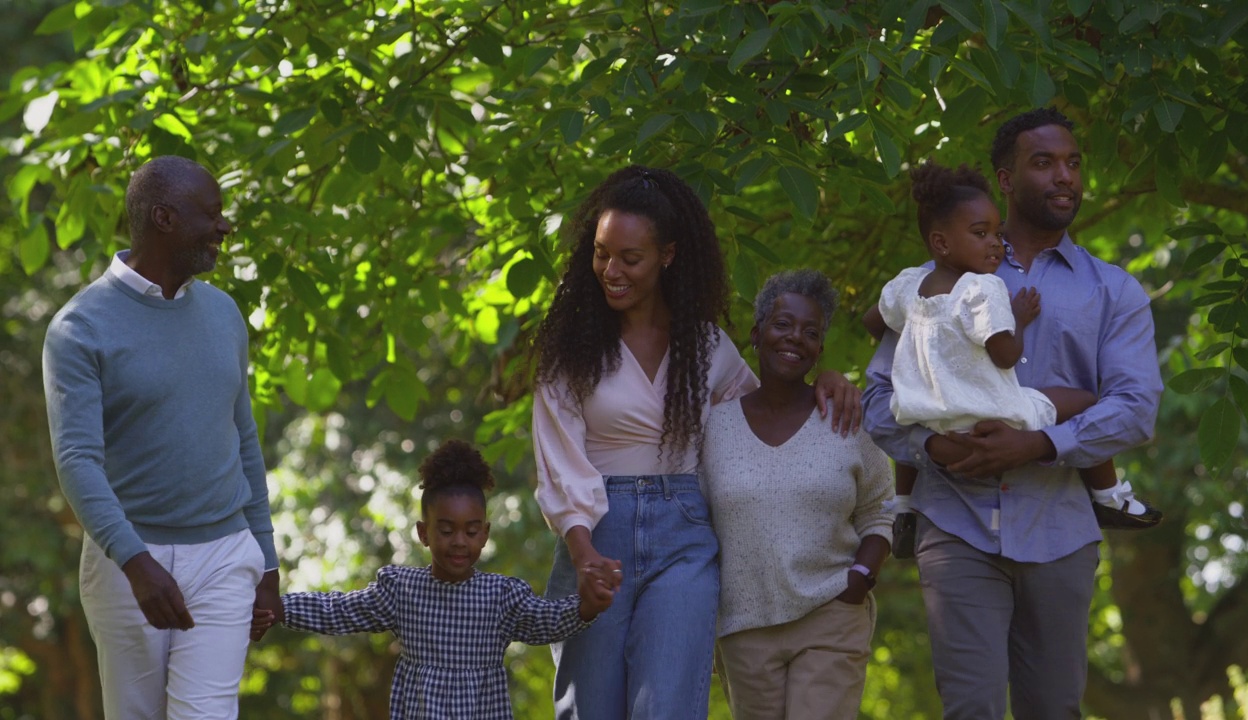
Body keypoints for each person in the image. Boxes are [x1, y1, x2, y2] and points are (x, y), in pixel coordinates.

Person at [863, 108, 1165, 719]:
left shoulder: (1113, 292)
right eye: (1044, 162)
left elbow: (1134, 408)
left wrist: (1038, 445)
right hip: (956, 522)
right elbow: (878, 399)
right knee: (970, 707)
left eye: (1074, 164)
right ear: (1004, 178)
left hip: (1061, 532)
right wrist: (937, 450)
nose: (1065, 177)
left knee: (1054, 710)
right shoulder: (936, 285)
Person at [532, 165, 860, 719]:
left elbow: (766, 411)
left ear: (667, 256)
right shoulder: (573, 349)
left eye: (629, 258)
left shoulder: (705, 347)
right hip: (594, 535)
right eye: (601, 252)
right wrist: (584, 554)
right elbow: (559, 463)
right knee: (590, 710)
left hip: (683, 537)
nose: (611, 270)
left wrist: (824, 378)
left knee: (670, 709)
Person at [42, 155, 280, 718]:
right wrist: (134, 561)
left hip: (225, 555)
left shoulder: (224, 314)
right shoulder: (79, 328)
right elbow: (77, 460)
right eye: (213, 214)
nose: (225, 227)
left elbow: (243, 437)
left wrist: (265, 560)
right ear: (165, 218)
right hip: (128, 562)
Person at [863, 160, 1162, 558]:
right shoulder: (981, 288)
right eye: (981, 234)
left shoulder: (907, 285)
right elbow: (1005, 356)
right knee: (1083, 401)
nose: (995, 244)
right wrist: (1017, 319)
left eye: (996, 234)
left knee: (908, 396)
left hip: (932, 412)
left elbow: (873, 321)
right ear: (941, 242)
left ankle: (903, 506)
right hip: (994, 414)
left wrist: (922, 347)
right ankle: (1107, 495)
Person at [253, 439, 614, 720]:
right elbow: (341, 611)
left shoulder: (502, 596)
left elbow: (543, 622)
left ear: (485, 534)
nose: (460, 541)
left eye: (471, 531)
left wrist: (585, 607)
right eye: (446, 530)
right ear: (423, 533)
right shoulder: (401, 591)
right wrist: (280, 607)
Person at [701, 269, 893, 720]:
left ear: (820, 349)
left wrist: (861, 575)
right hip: (743, 628)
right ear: (757, 333)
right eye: (783, 324)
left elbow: (882, 509)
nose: (795, 338)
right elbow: (697, 520)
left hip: (831, 612)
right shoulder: (714, 428)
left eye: (811, 332)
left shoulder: (845, 419)